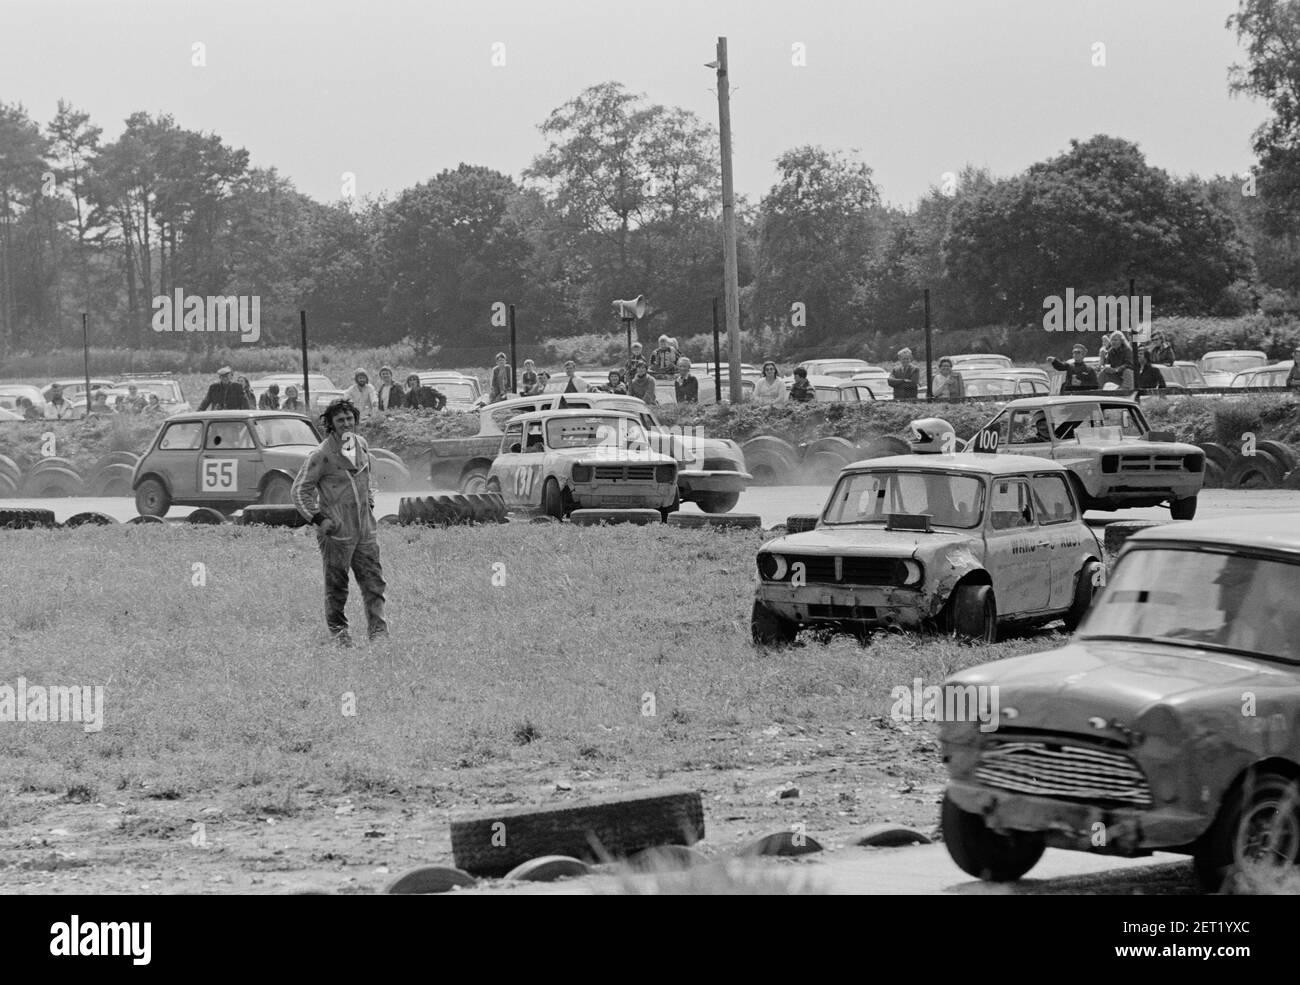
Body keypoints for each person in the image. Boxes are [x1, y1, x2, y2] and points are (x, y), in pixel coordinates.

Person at [291, 397, 388, 646]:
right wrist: (319, 519)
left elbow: (367, 480)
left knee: (374, 582)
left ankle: (379, 634)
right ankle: (340, 635)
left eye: (349, 418)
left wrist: (370, 504)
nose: (346, 423)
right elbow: (299, 490)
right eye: (340, 420)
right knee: (337, 586)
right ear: (331, 424)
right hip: (337, 533)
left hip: (365, 531)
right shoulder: (322, 454)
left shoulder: (362, 445)